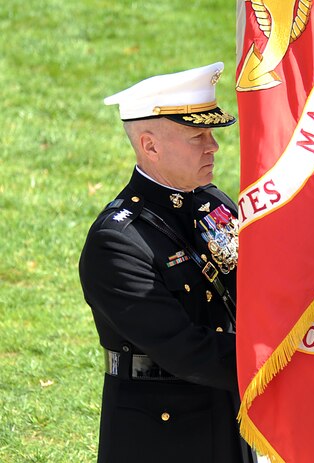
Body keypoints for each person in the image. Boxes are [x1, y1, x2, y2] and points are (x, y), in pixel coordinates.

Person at [79, 62, 253, 463]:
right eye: (198, 136)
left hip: (226, 408)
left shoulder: (214, 204)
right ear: (150, 145)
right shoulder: (118, 242)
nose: (214, 146)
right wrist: (284, 369)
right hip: (161, 433)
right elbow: (184, 348)